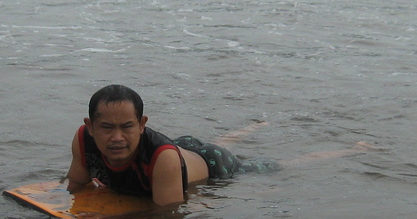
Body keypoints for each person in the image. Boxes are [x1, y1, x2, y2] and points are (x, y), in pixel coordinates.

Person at [66, 85, 281, 206]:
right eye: (107, 128)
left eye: (126, 127)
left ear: (142, 125)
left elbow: (167, 217)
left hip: (214, 163)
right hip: (180, 149)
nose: (117, 137)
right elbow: (76, 184)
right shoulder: (84, 139)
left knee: (273, 166)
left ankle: (311, 157)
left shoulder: (161, 158)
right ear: (90, 126)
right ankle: (254, 126)